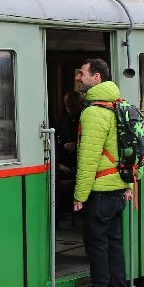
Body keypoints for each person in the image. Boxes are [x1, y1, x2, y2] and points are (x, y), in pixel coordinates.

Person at [73, 58, 133, 287]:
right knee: (115, 244)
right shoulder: (120, 106)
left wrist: (79, 195)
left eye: (82, 73)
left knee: (96, 245)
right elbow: (127, 150)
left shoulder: (93, 112)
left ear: (96, 78)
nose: (78, 78)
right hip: (119, 187)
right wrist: (129, 184)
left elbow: (88, 158)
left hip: (100, 190)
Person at [54, 91, 82, 223]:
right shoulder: (62, 121)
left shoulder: (84, 119)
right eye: (67, 107)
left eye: (72, 107)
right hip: (62, 162)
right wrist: (58, 164)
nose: (69, 110)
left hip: (78, 162)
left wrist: (76, 145)